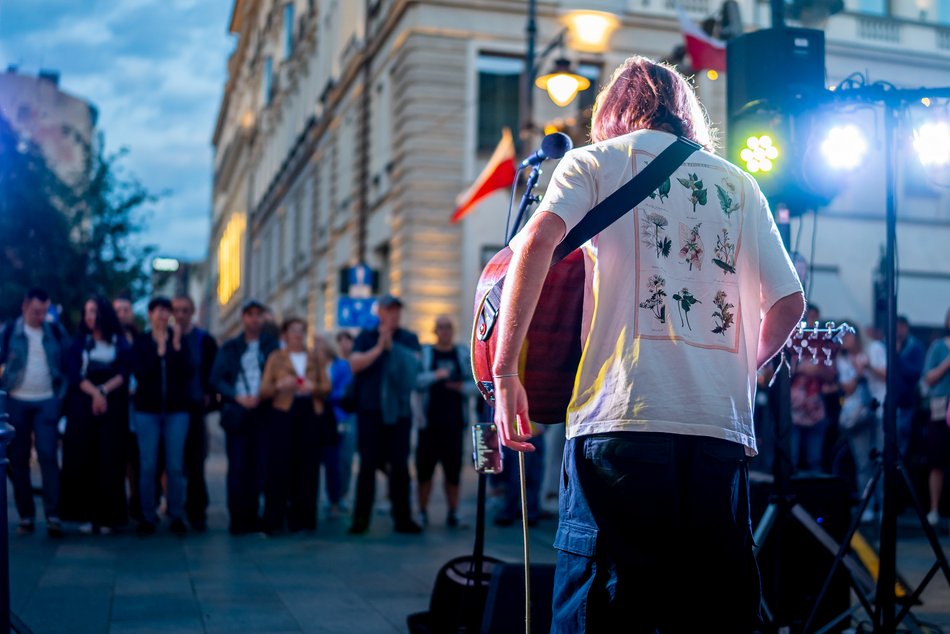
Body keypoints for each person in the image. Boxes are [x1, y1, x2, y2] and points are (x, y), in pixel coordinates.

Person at [490, 57, 805, 631]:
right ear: (685, 114)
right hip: (718, 430)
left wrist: (507, 373)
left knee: (605, 611)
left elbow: (534, 243)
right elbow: (789, 302)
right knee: (709, 611)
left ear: (612, 112)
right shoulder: (739, 181)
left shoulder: (593, 162)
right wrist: (746, 371)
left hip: (621, 421)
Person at [348, 294, 423, 535]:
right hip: (369, 412)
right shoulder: (366, 337)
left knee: (400, 467)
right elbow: (354, 364)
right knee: (367, 466)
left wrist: (393, 348)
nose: (393, 315)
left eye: (397, 310)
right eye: (389, 310)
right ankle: (360, 519)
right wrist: (380, 347)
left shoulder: (408, 338)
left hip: (399, 413)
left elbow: (415, 368)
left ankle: (403, 518)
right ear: (379, 312)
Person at [0, 288, 69, 537]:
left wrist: (59, 398)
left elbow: (67, 364)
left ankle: (53, 515)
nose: (40, 316)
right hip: (17, 400)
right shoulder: (10, 332)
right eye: (36, 311)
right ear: (25, 307)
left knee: (48, 455)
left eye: (44, 311)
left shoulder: (55, 332)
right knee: (18, 459)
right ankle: (26, 515)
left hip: (46, 400)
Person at [60, 297, 132, 533]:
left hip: (113, 409)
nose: (90, 316)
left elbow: (123, 372)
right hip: (83, 408)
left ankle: (108, 517)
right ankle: (86, 515)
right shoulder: (79, 342)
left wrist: (103, 392)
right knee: (84, 459)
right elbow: (73, 374)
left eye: (94, 311)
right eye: (86, 311)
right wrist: (94, 394)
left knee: (109, 461)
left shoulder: (118, 342)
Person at [210, 299, 280, 534]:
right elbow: (217, 378)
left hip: (263, 411)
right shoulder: (230, 347)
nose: (254, 319)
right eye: (250, 315)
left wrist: (263, 395)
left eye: (258, 315)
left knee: (259, 466)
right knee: (238, 466)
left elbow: (278, 374)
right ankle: (238, 518)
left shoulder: (271, 346)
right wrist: (236, 396)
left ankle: (253, 515)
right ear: (243, 318)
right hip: (238, 412)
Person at [259, 318, 332, 534]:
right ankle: (275, 518)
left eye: (301, 331)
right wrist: (279, 385)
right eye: (293, 331)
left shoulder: (315, 358)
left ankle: (304, 518)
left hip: (309, 412)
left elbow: (327, 387)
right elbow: (264, 390)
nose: (298, 335)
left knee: (308, 467)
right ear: (285, 334)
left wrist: (313, 387)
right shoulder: (276, 357)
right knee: (280, 466)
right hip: (283, 412)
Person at [131, 296, 193, 535]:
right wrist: (159, 351)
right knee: (148, 465)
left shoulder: (180, 341)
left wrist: (175, 346)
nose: (161, 315)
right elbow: (141, 372)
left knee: (175, 465)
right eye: (157, 310)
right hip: (147, 411)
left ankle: (176, 513)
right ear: (149, 314)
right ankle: (148, 515)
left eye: (166, 310)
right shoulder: (142, 342)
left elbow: (187, 371)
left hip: (176, 411)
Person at [414, 316, 473, 528]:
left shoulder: (463, 354)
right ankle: (421, 512)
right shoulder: (427, 355)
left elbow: (476, 385)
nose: (445, 331)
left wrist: (461, 388)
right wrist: (436, 375)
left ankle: (453, 512)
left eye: (449, 327)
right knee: (424, 472)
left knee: (453, 472)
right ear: (435, 331)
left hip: (455, 425)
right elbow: (416, 381)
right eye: (441, 327)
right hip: (428, 425)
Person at [172, 295, 219, 532]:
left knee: (196, 461)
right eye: (176, 310)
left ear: (192, 312)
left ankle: (196, 510)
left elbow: (213, 373)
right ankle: (174, 509)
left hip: (194, 407)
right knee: (173, 463)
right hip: (171, 408)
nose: (180, 315)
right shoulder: (165, 339)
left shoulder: (204, 340)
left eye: (185, 310)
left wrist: (209, 394)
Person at [836, 324, 886, 523]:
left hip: (880, 410)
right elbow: (847, 389)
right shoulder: (841, 359)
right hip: (858, 416)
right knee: (863, 462)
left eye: (847, 337)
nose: (844, 341)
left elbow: (887, 375)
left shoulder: (874, 348)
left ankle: (884, 507)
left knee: (882, 461)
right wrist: (857, 372)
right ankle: (867, 505)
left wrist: (867, 366)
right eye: (842, 338)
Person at [789, 303, 837, 472]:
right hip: (793, 409)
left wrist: (817, 370)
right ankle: (789, 497)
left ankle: (812, 498)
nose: (812, 321)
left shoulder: (824, 344)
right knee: (790, 460)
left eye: (815, 317)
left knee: (814, 460)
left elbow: (832, 374)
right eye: (809, 316)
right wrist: (799, 368)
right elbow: (777, 372)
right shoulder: (791, 340)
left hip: (816, 408)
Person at [113, 294, 142, 521]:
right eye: (118, 310)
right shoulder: (108, 338)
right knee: (118, 456)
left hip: (138, 406)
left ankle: (136, 500)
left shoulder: (139, 338)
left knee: (136, 457)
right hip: (116, 404)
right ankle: (118, 502)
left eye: (126, 309)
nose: (123, 314)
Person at [321, 331, 355, 517]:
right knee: (328, 460)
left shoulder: (342, 366)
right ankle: (331, 495)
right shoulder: (315, 365)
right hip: (320, 419)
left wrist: (324, 394)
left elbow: (343, 391)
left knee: (343, 459)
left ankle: (340, 495)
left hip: (339, 417)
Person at [922, 308, 950, 527]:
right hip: (941, 410)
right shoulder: (938, 347)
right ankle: (934, 508)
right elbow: (928, 379)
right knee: (937, 462)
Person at [894, 315, 924, 458]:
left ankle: (899, 476)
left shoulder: (915, 347)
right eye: (896, 326)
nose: (899, 330)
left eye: (902, 327)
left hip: (906, 402)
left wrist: (898, 356)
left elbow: (915, 373)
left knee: (902, 443)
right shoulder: (883, 345)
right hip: (886, 402)